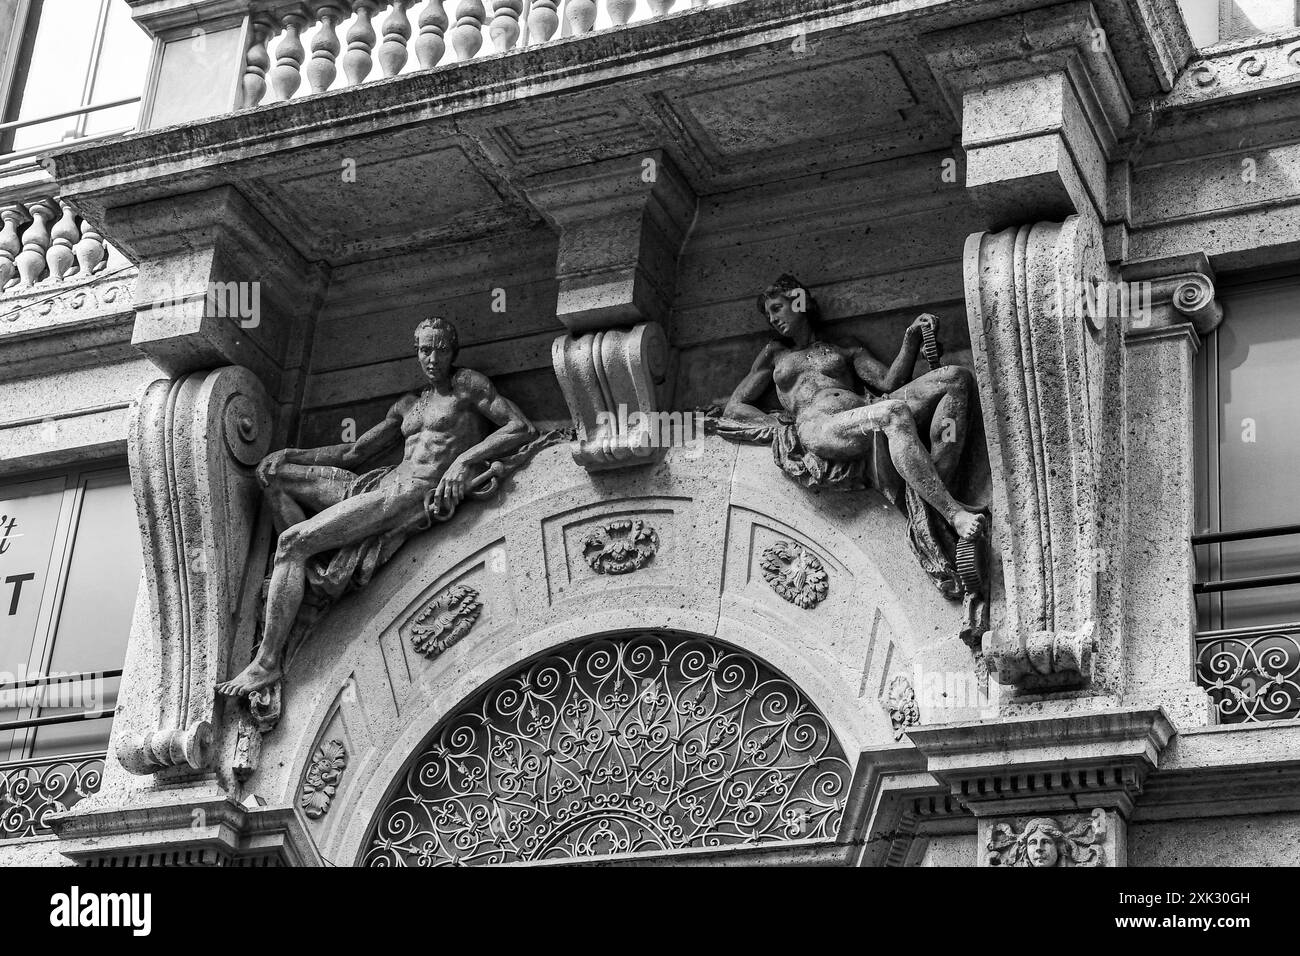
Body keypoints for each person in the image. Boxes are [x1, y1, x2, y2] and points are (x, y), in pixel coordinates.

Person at [217, 317, 537, 696]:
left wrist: (463, 462)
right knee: (274, 476)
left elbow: (519, 427)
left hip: (406, 495)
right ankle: (318, 573)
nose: (431, 358)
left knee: (290, 542)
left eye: (439, 349)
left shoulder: (466, 386)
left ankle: (266, 664)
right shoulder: (408, 405)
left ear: (453, 351)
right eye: (423, 349)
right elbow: (355, 452)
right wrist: (289, 454)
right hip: (376, 484)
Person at [723, 275, 985, 541]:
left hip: (866, 409)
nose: (773, 319)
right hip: (820, 425)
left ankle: (937, 496)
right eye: (769, 316)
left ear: (799, 301)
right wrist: (780, 427)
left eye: (777, 308)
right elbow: (736, 406)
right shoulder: (775, 354)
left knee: (955, 378)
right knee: (892, 412)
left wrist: (910, 339)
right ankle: (952, 514)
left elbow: (889, 382)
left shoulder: (844, 346)